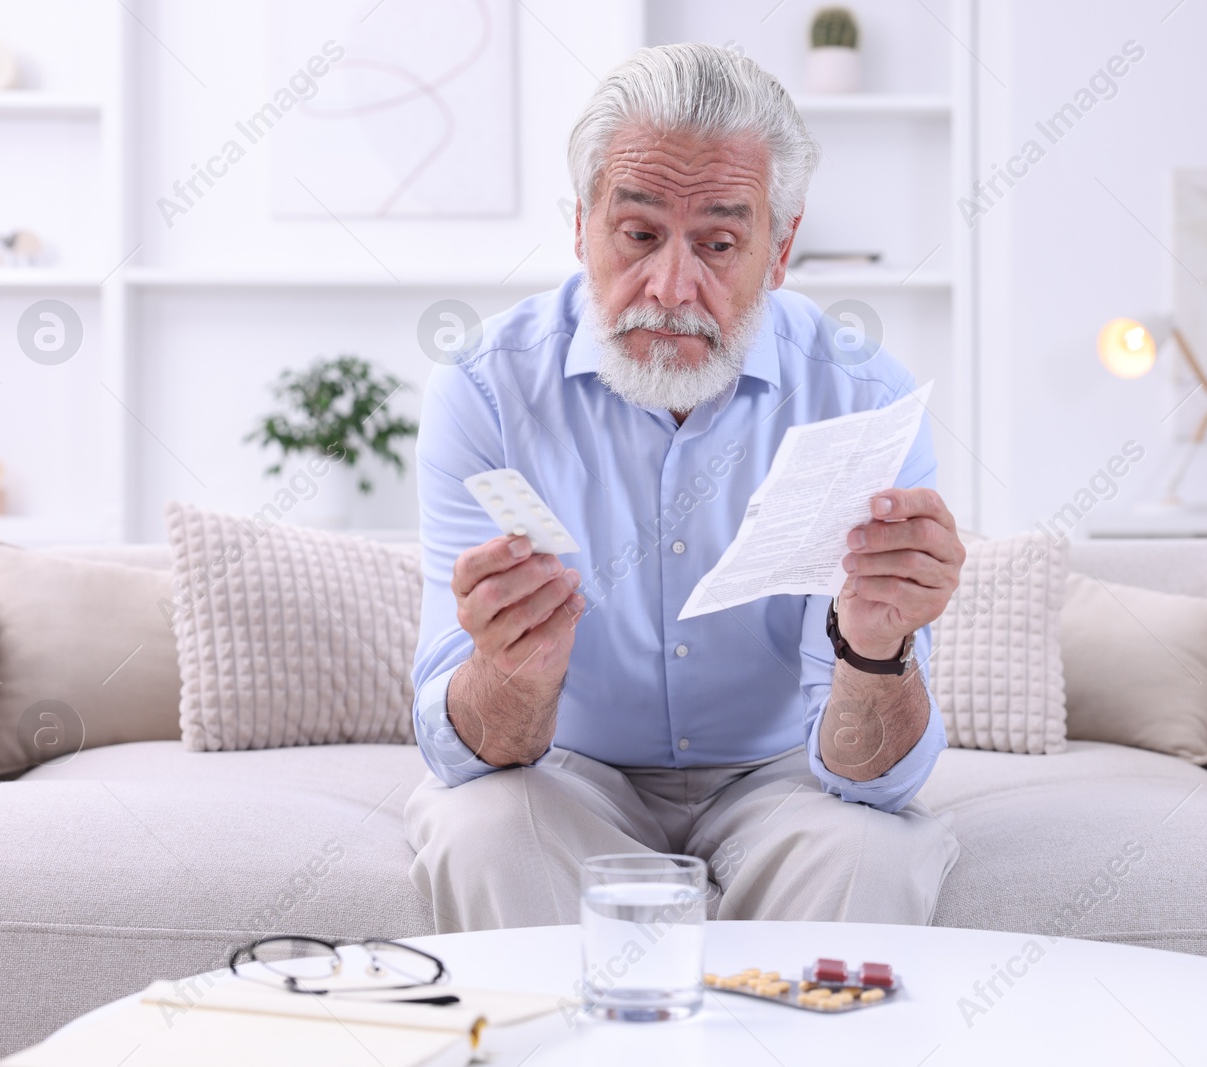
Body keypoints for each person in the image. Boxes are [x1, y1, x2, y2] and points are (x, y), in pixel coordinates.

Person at [406, 42, 966, 932]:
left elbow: (874, 775)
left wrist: (875, 651)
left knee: (872, 848)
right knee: (482, 828)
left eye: (718, 243)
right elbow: (464, 750)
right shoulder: (483, 391)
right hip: (571, 770)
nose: (670, 287)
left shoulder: (866, 400)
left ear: (779, 252)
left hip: (785, 773)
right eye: (637, 235)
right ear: (582, 223)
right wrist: (512, 673)